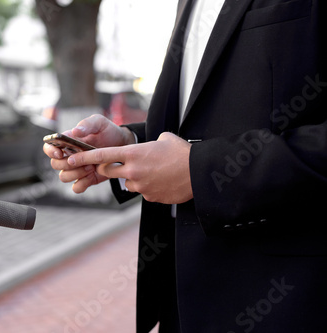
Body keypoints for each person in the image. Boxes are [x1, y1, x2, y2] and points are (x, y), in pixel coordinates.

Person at [44, 0, 327, 332]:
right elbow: (196, 120)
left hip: (284, 300)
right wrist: (129, 146)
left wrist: (200, 172)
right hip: (179, 298)